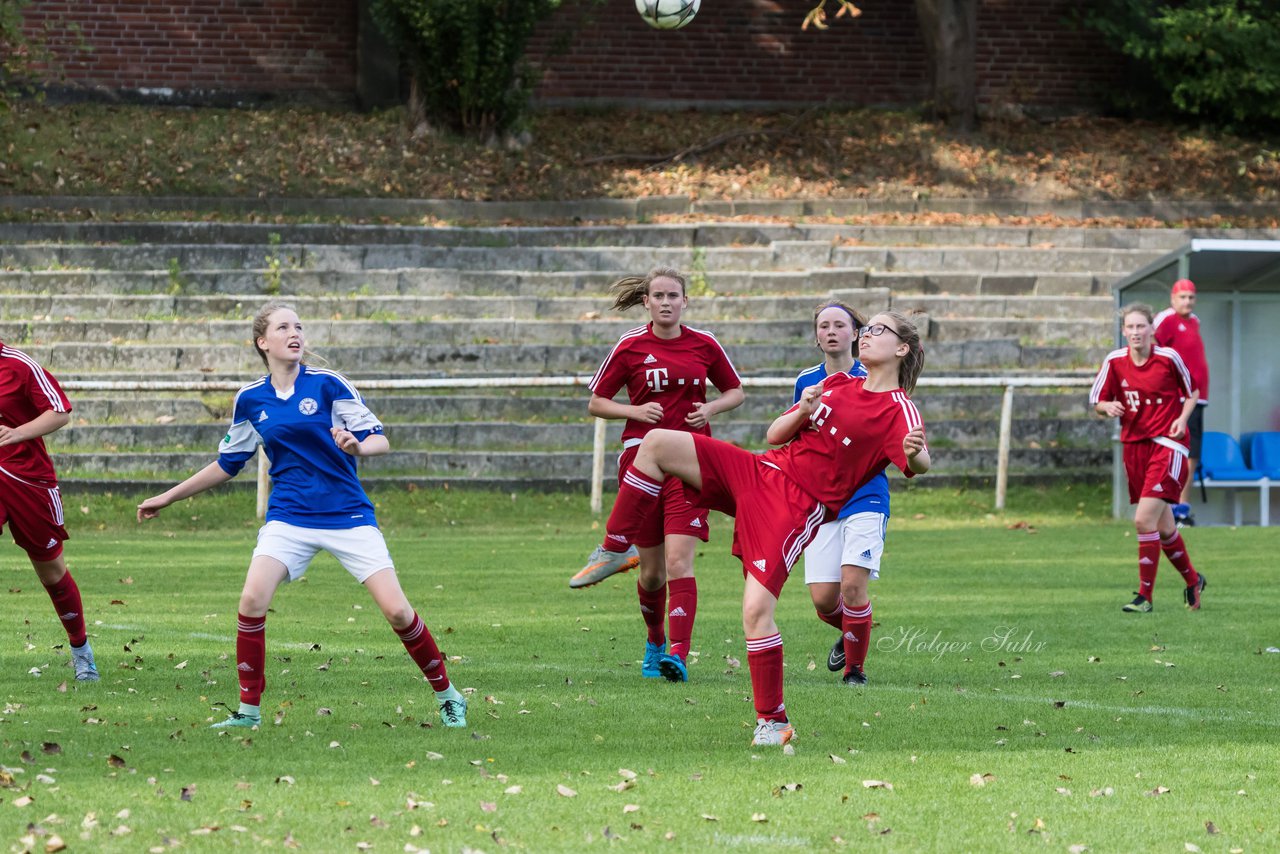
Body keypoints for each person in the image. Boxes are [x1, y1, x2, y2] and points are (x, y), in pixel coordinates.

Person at [575, 310, 929, 746]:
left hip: (795, 506)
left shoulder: (900, 409)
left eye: (878, 330)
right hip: (760, 471)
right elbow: (774, 435)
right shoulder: (838, 385)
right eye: (869, 328)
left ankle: (773, 721)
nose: (867, 334)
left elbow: (920, 462)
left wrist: (914, 455)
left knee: (756, 613)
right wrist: (803, 410)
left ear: (901, 348)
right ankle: (615, 547)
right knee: (656, 443)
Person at [137, 301, 467, 729]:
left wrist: (357, 446)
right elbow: (227, 463)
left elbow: (379, 440)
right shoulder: (251, 399)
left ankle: (449, 696)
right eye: (283, 327)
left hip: (348, 515)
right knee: (252, 600)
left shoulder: (328, 385)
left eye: (298, 326)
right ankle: (248, 713)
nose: (295, 333)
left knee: (399, 613)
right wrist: (167, 497)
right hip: (289, 517)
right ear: (263, 342)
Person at [569, 268, 745, 685]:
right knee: (652, 574)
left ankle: (679, 655)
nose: (666, 302)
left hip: (693, 464)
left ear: (686, 301)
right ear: (646, 301)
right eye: (658, 296)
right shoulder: (630, 346)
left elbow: (736, 391)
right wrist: (634, 412)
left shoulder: (705, 344)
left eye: (674, 295)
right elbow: (596, 402)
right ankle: (655, 642)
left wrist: (710, 410)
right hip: (640, 465)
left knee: (679, 561)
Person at [793, 302, 894, 687]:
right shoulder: (806, 380)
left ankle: (855, 671)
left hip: (865, 494)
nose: (831, 331)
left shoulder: (874, 376)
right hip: (822, 500)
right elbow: (800, 430)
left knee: (853, 586)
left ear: (856, 333)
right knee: (823, 601)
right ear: (816, 336)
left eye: (840, 325)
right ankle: (856, 627)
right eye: (823, 325)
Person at [1090, 303, 1206, 613]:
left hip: (1170, 445)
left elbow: (1192, 391)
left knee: (1142, 520)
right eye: (1131, 327)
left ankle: (1145, 597)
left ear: (1152, 330)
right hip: (1136, 448)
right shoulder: (1115, 361)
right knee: (1164, 528)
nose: (1136, 332)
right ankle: (1193, 582)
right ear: (1123, 330)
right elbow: (1096, 400)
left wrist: (1182, 420)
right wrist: (1107, 407)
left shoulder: (1168, 358)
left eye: (1142, 326)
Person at [1, 341, 99, 682]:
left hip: (28, 479)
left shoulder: (18, 365)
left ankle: (81, 653)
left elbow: (60, 410)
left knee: (52, 573)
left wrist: (17, 433)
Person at [1153, 279, 1209, 525]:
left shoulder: (1194, 321)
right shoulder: (1165, 320)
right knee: (1172, 452)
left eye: (1191, 297)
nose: (1187, 302)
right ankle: (1166, 510)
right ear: (1173, 299)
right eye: (1182, 297)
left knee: (1192, 454)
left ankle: (1182, 509)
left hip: (1199, 397)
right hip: (1176, 399)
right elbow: (1153, 351)